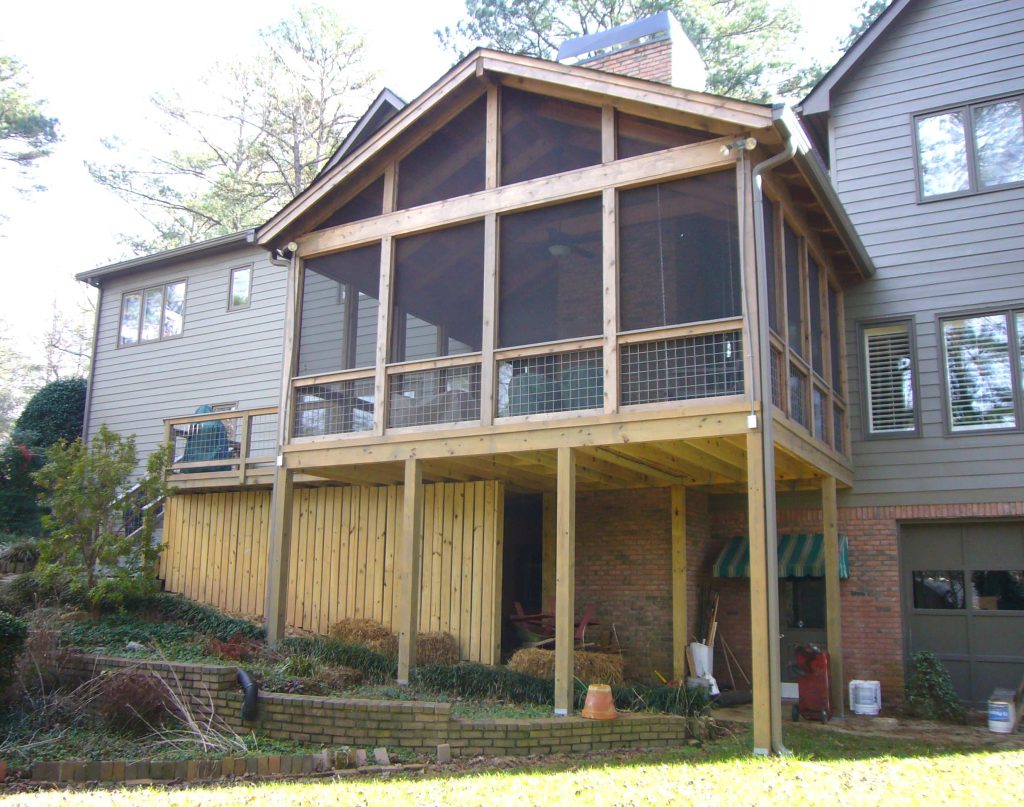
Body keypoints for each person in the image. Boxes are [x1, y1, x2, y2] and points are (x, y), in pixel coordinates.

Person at [179, 404, 231, 473]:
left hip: (192, 466)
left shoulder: (194, 426)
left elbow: (189, 447)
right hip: (216, 465)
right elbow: (222, 445)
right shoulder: (218, 425)